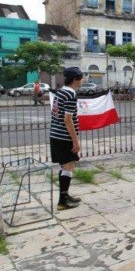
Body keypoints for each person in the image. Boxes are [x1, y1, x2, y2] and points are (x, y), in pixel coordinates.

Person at [50, 67, 84, 210]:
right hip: (64, 137)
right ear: (75, 79)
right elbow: (68, 119)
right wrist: (75, 140)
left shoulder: (61, 92)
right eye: (81, 78)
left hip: (55, 134)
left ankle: (64, 195)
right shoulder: (70, 94)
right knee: (68, 165)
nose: (83, 81)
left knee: (66, 166)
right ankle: (62, 201)